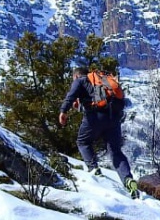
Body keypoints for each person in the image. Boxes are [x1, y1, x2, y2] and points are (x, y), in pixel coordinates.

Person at [58, 66, 140, 198]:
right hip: (114, 117)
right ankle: (128, 179)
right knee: (115, 151)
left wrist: (63, 111)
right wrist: (78, 106)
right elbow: (92, 99)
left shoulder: (80, 81)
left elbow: (70, 96)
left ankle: (93, 169)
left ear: (76, 76)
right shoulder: (100, 81)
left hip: (95, 116)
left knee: (83, 141)